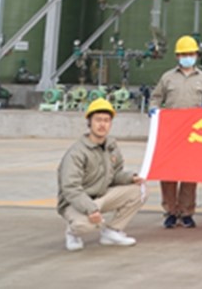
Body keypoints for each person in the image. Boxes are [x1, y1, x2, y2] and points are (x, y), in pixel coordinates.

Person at [58, 98, 145, 251]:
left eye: (106, 120)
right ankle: (73, 232)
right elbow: (71, 188)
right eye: (98, 120)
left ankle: (111, 232)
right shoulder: (77, 153)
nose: (102, 124)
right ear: (89, 122)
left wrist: (130, 177)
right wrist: (90, 209)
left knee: (139, 191)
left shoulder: (111, 146)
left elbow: (115, 175)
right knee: (86, 225)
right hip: (76, 202)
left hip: (100, 197)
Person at [149, 34, 202, 229]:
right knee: (168, 173)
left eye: (191, 54)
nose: (188, 57)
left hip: (194, 134)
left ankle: (186, 212)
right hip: (171, 133)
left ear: (196, 55)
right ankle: (170, 211)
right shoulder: (167, 78)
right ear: (177, 56)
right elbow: (156, 97)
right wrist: (153, 109)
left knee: (189, 173)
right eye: (184, 54)